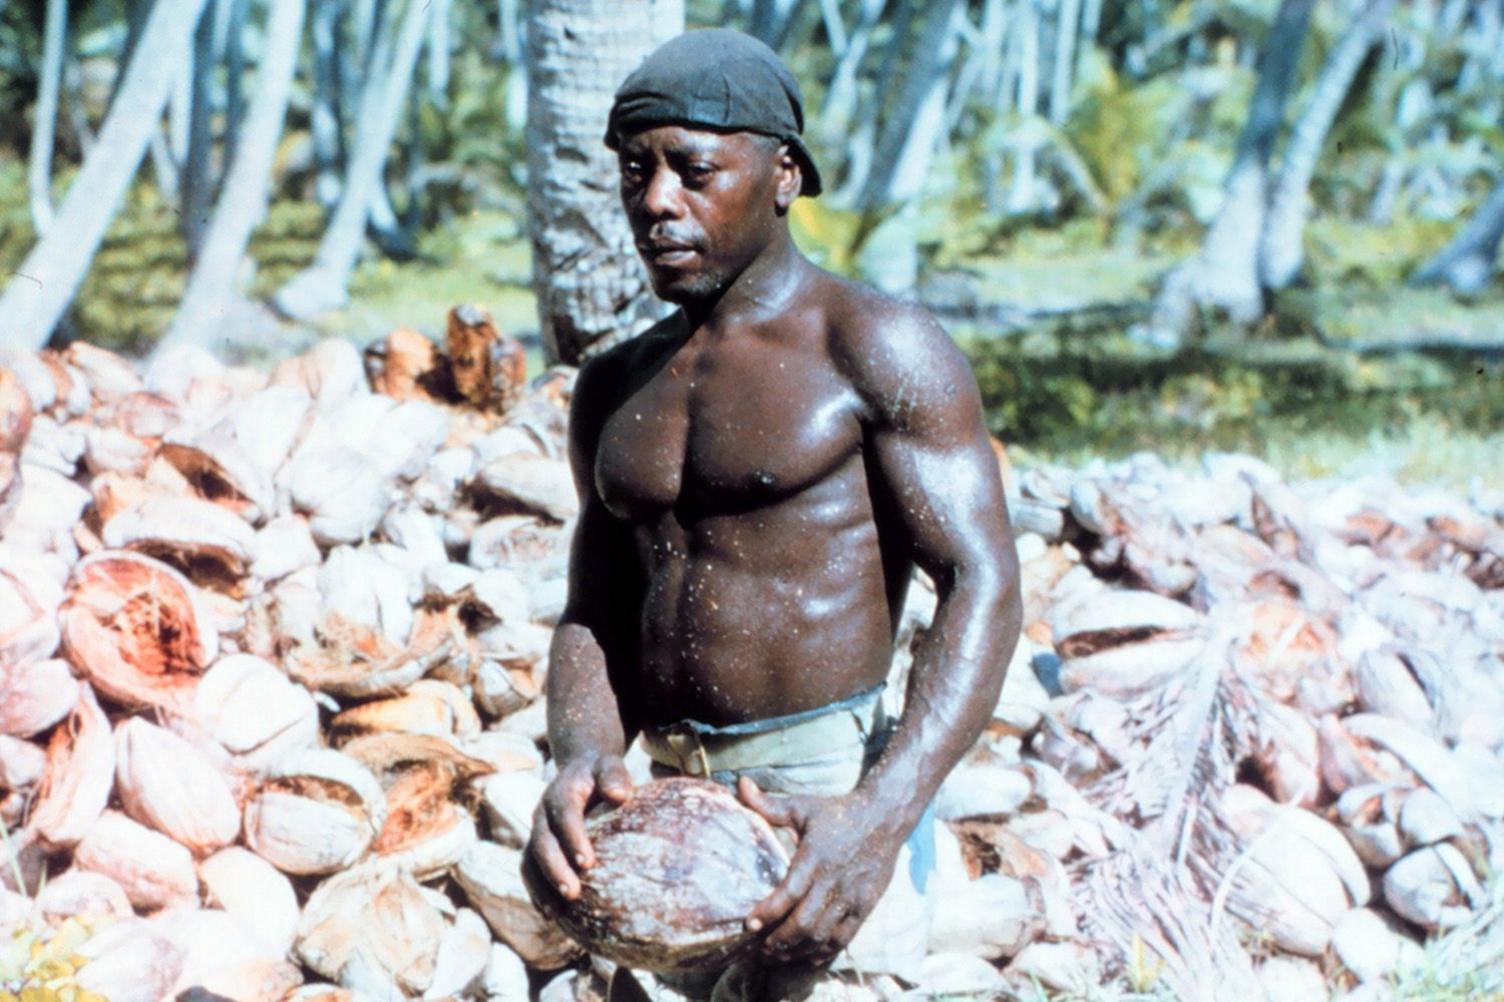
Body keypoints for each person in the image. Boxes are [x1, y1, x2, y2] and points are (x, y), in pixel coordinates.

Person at [524, 27, 1022, 1000]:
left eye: (692, 170)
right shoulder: (615, 386)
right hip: (661, 803)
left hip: (822, 786)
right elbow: (597, 603)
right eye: (636, 171)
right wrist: (582, 758)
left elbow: (982, 582)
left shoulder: (875, 347)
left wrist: (878, 817)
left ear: (783, 173)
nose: (656, 201)